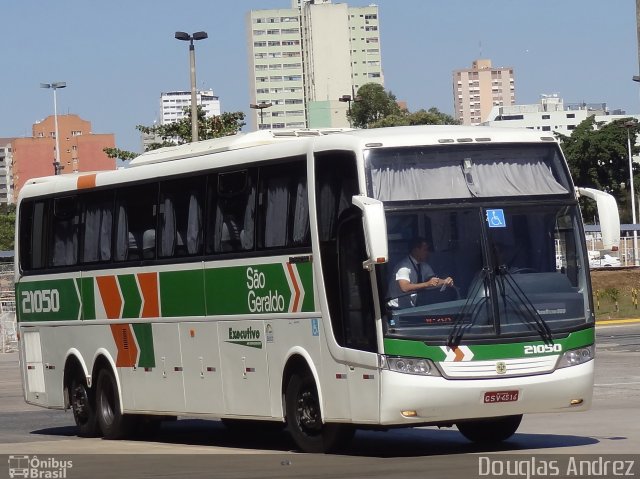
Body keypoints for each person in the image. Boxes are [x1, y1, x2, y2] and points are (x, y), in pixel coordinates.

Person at [387, 237, 454, 308]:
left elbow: (433, 281)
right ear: (416, 250)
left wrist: (445, 281)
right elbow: (405, 287)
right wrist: (427, 284)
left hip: (412, 308)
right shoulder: (403, 267)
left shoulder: (424, 265)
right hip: (397, 309)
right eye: (425, 250)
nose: (427, 253)